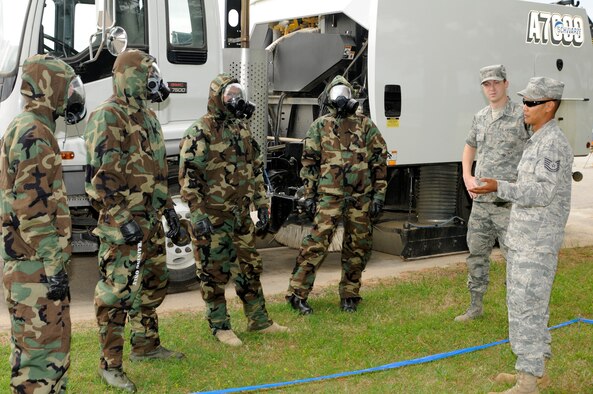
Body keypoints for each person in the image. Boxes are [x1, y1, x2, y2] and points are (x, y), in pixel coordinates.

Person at [85, 49, 185, 392]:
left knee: (153, 284)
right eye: (147, 72)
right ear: (129, 76)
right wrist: (121, 217)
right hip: (121, 225)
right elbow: (100, 177)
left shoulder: (148, 116)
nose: (153, 77)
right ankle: (109, 364)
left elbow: (158, 172)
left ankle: (146, 345)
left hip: (151, 218)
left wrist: (169, 210)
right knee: (117, 294)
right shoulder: (107, 116)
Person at [470, 77, 572, 393]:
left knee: (528, 307)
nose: (524, 108)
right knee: (523, 305)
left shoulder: (552, 143)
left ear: (550, 106)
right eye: (524, 101)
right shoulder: (537, 139)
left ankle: (528, 381)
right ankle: (532, 370)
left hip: (537, 243)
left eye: (531, 103)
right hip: (523, 239)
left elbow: (541, 192)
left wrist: (499, 186)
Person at [179, 73, 288, 347]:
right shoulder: (200, 131)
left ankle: (258, 320)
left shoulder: (242, 129)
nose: (235, 100)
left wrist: (262, 204)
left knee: (249, 268)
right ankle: (220, 326)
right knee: (214, 274)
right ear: (217, 98)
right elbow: (189, 177)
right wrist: (198, 214)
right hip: (213, 218)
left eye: (237, 95)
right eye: (229, 95)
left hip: (240, 217)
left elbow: (254, 171)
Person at [0, 54, 86, 393]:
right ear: (50, 89)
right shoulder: (34, 133)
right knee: (39, 357)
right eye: (66, 86)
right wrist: (53, 262)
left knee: (48, 348)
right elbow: (31, 209)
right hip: (34, 265)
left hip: (31, 263)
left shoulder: (29, 126)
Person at [285, 75, 388, 314]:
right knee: (315, 245)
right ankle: (297, 293)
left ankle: (350, 295)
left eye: (345, 92)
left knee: (359, 245)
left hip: (360, 197)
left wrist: (379, 195)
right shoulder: (320, 126)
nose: (341, 97)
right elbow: (309, 163)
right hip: (329, 197)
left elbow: (380, 161)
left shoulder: (366, 125)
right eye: (336, 93)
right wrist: (309, 196)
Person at [455, 65, 530, 322]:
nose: (492, 88)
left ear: (506, 84)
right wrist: (467, 176)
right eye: (487, 84)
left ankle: (517, 310)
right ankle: (475, 306)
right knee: (476, 255)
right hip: (482, 204)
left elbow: (536, 150)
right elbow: (469, 146)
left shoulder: (522, 115)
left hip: (510, 204)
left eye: (496, 83)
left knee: (515, 259)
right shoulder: (481, 116)